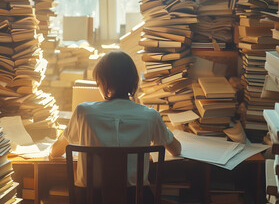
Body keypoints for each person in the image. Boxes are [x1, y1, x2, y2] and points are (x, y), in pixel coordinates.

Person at [50, 50, 182, 203]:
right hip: (136, 198)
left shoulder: (83, 112)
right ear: (133, 82)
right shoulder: (150, 116)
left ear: (103, 83)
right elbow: (176, 149)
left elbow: (56, 151)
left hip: (89, 199)